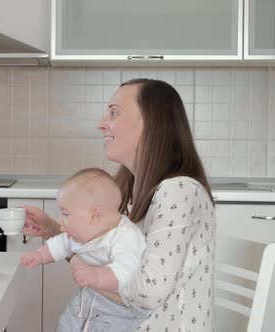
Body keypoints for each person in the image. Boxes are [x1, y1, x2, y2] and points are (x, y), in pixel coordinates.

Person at [23, 79, 215, 332]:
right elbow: (113, 255)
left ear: (151, 124)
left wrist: (86, 269)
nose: (101, 123)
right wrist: (54, 231)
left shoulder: (178, 191)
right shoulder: (130, 186)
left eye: (113, 112)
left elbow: (148, 292)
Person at [21, 168, 149, 332]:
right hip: (86, 301)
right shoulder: (83, 233)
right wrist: (39, 256)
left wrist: (96, 275)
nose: (60, 219)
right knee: (66, 325)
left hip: (118, 312)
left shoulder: (125, 237)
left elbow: (126, 270)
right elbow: (61, 244)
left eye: (65, 214)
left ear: (94, 215)